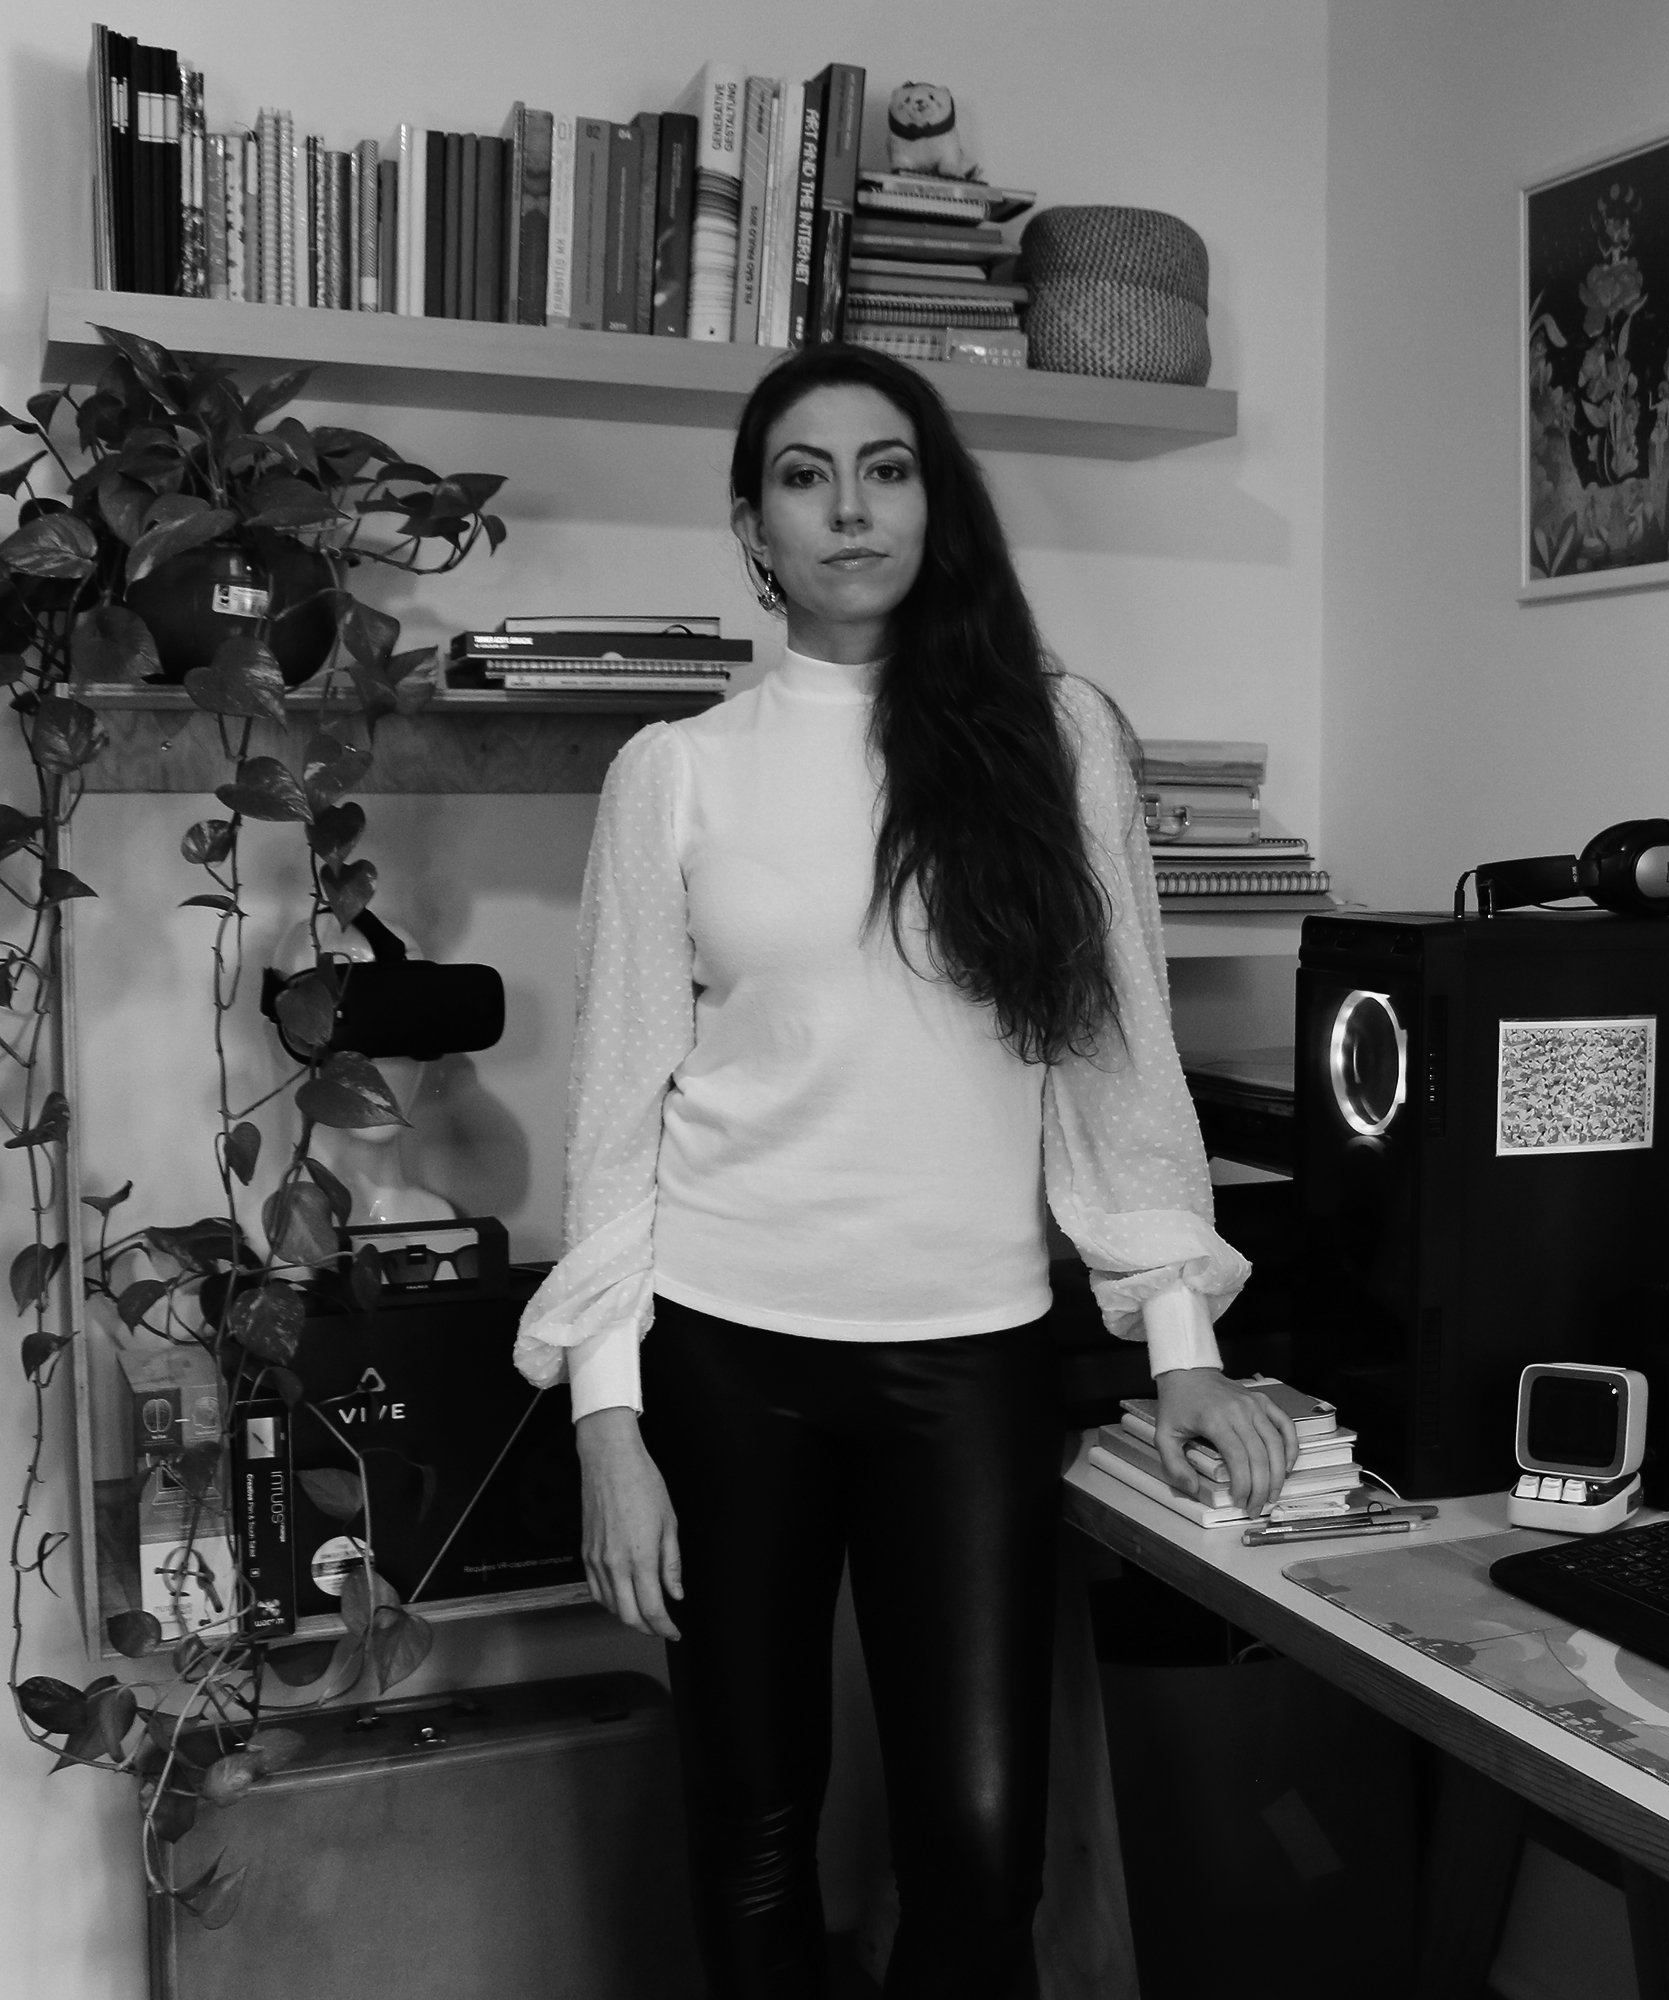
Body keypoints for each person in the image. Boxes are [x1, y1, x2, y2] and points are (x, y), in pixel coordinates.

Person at [513, 342, 1295, 2000]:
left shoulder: (1055, 740)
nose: (851, 505)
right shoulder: (676, 771)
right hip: (726, 1351)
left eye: (888, 467)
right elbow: (617, 1106)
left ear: (935, 503)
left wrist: (1184, 1352)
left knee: (984, 1844)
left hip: (970, 1359)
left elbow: (1113, 1054)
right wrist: (607, 1424)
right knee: (754, 1821)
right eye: (807, 475)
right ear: (754, 528)